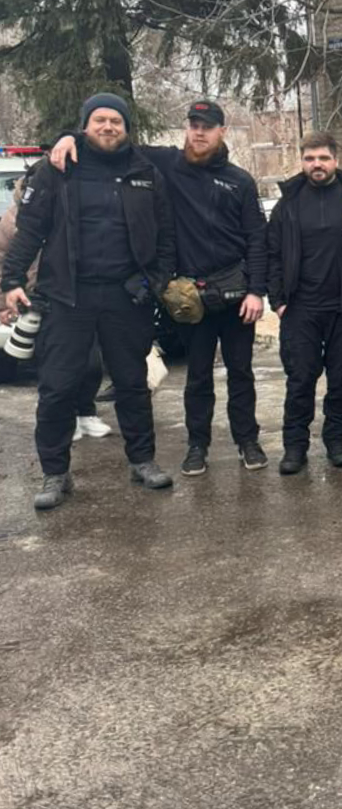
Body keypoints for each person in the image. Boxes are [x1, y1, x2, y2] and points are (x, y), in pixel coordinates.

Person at [51, 100, 269, 476]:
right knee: (197, 376)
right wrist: (70, 136)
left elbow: (257, 240)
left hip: (235, 292)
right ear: (187, 127)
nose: (199, 132)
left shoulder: (240, 181)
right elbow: (111, 138)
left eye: (208, 126)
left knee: (241, 374)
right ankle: (197, 445)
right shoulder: (166, 164)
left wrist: (256, 291)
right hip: (190, 297)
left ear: (221, 132)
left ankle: (247, 441)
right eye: (194, 124)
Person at [1, 93, 175, 509]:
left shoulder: (146, 172)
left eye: (116, 120)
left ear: (126, 127)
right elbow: (29, 231)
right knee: (57, 387)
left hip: (125, 297)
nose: (109, 127)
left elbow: (166, 238)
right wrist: (9, 281)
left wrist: (154, 282)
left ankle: (142, 461)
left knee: (133, 384)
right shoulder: (57, 169)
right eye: (99, 119)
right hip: (66, 297)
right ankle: (55, 473)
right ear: (85, 125)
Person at [267, 132, 342, 475]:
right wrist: (278, 301)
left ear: (335, 160)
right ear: (303, 162)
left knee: (341, 379)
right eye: (310, 159)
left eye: (323, 158)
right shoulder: (288, 203)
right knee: (300, 380)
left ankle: (336, 441)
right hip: (300, 308)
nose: (317, 165)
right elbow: (273, 254)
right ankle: (295, 447)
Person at [0, 171, 111, 440]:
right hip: (33, 300)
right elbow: (4, 260)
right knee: (52, 367)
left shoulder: (70, 208)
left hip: (74, 296)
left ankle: (86, 411)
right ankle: (64, 419)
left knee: (91, 362)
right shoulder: (12, 219)